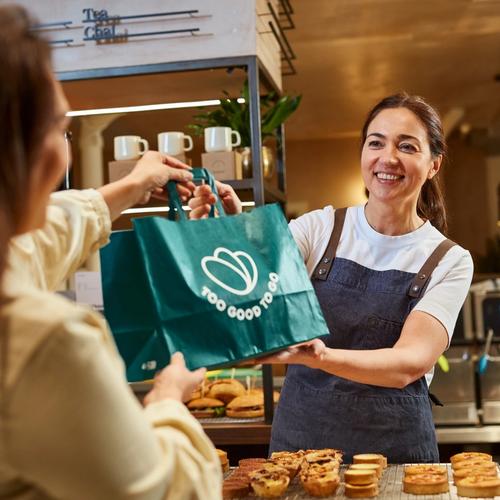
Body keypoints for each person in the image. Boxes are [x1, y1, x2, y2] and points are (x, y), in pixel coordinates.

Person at [0, 5, 221, 499]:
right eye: (60, 128)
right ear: (24, 150)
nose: (64, 149)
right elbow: (162, 491)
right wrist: (166, 401)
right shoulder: (48, 343)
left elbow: (37, 240)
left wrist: (132, 186)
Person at [189, 93, 474, 463]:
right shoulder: (318, 229)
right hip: (299, 450)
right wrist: (223, 235)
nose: (388, 158)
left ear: (433, 164)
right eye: (376, 142)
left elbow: (409, 362)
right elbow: (250, 293)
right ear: (362, 154)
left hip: (397, 460)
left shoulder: (448, 260)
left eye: (407, 146)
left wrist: (319, 357)